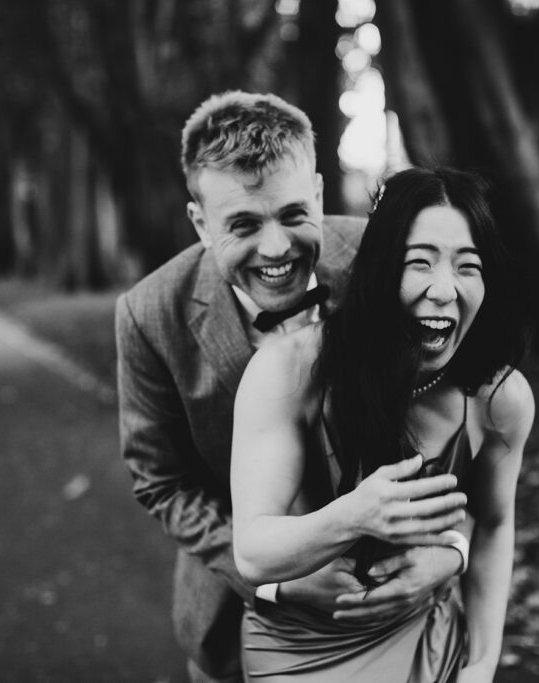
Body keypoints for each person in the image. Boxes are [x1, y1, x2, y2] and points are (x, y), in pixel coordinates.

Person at [116, 92, 468, 682]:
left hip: (403, 615)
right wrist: (280, 575)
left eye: (293, 214)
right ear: (201, 223)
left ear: (321, 194)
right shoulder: (150, 314)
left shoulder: (387, 263)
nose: (276, 247)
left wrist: (449, 551)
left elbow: (464, 416)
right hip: (239, 621)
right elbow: (163, 483)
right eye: (244, 225)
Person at [230, 166, 534, 681]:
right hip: (302, 645)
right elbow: (254, 552)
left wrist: (482, 663)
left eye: (468, 266)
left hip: (424, 638)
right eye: (420, 263)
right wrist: (354, 515)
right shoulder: (290, 370)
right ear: (380, 269)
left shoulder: (500, 400)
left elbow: (496, 524)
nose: (444, 289)